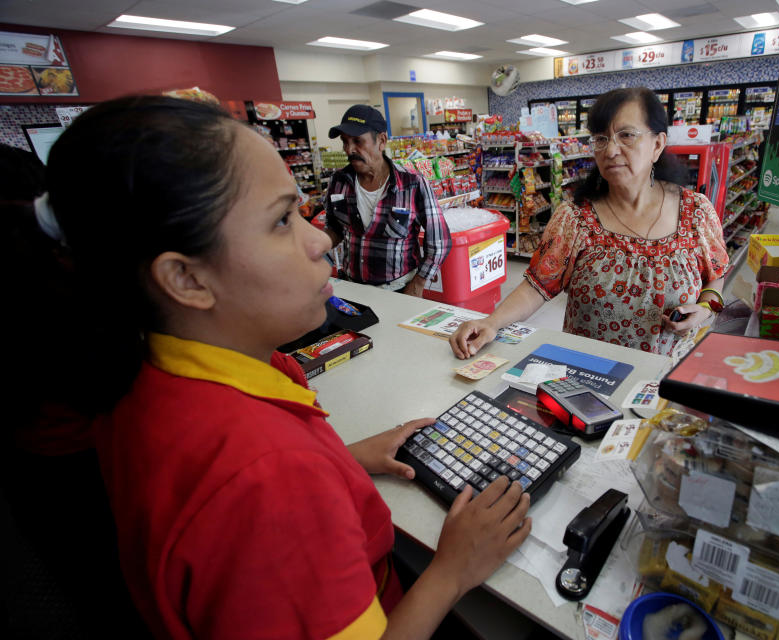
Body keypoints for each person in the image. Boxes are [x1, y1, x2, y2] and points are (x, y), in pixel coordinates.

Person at [15, 96, 530, 639]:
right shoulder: (266, 477)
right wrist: (452, 571)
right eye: (282, 221)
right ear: (186, 279)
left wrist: (345, 459)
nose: (319, 242)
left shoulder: (134, 377)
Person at [451, 87, 728, 358]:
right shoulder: (576, 219)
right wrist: (491, 322)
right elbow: (536, 286)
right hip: (587, 381)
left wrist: (706, 307)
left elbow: (715, 274)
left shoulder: (696, 212)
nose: (611, 150)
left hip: (663, 382)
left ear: (657, 144)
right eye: (601, 139)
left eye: (627, 136)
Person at [324, 104, 451, 297]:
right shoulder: (339, 180)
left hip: (399, 289)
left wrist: (418, 283)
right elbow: (334, 228)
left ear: (381, 141)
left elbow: (439, 241)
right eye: (345, 142)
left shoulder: (413, 183)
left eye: (358, 141)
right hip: (352, 287)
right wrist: (317, 245)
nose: (349, 149)